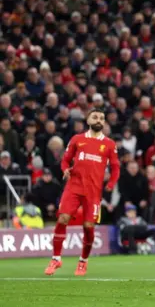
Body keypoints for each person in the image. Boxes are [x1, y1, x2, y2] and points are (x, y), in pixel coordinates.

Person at [44, 108, 120, 277]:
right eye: (95, 117)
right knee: (62, 218)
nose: (99, 120)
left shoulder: (109, 144)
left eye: (102, 117)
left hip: (93, 191)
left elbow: (115, 167)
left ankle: (83, 261)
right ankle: (56, 258)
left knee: (88, 227)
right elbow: (65, 160)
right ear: (88, 120)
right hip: (74, 187)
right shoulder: (77, 139)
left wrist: (111, 184)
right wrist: (65, 170)